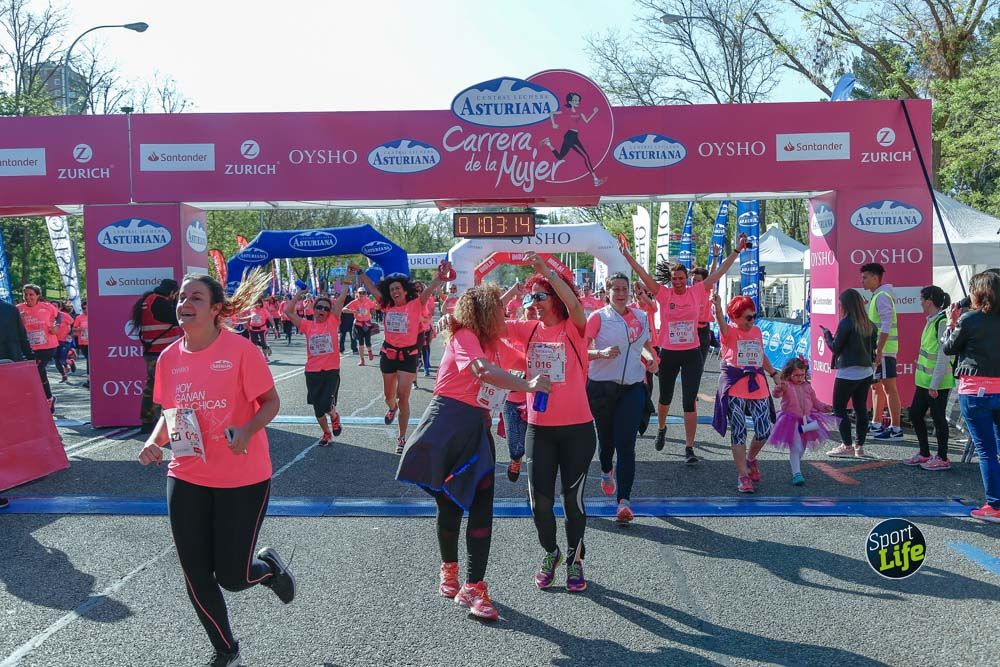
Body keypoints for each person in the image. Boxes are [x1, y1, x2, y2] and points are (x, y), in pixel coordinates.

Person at [137, 270, 294, 667]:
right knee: (195, 573)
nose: (184, 305)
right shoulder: (170, 358)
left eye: (195, 299)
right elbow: (170, 412)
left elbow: (271, 402)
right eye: (182, 299)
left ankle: (269, 569)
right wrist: (155, 442)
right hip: (186, 473)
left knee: (233, 577)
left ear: (215, 309)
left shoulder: (240, 351)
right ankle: (226, 650)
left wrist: (247, 429)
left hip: (243, 477)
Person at [397, 283, 551, 621]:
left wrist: (590, 356)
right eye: (499, 309)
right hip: (446, 426)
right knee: (450, 508)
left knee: (482, 508)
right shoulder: (464, 335)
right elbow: (481, 370)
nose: (506, 313)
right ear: (484, 312)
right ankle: (449, 568)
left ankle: (474, 586)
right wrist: (526, 385)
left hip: (477, 430)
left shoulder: (496, 343)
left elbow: (532, 361)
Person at [504, 252, 595, 592]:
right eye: (531, 298)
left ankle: (575, 559)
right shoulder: (526, 331)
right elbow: (491, 323)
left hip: (577, 430)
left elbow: (575, 306)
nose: (534, 303)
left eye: (539, 297)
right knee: (538, 501)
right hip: (539, 429)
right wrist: (456, 319)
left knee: (573, 501)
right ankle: (551, 552)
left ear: (555, 298)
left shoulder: (575, 327)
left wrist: (549, 274)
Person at [623, 237, 745, 463]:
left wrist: (736, 250)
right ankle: (661, 428)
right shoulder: (663, 294)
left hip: (691, 354)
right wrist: (627, 255)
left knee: (689, 401)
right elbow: (643, 275)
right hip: (668, 353)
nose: (678, 282)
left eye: (681, 278)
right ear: (670, 280)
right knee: (666, 398)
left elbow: (720, 272)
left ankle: (689, 448)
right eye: (674, 279)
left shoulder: (697, 291)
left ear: (687, 278)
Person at [354, 262, 450, 453]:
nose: (395, 291)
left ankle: (401, 438)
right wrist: (359, 272)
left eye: (398, 288)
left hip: (408, 356)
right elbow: (372, 288)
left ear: (405, 290)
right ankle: (391, 408)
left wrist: (442, 274)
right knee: (389, 397)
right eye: (392, 289)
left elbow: (430, 288)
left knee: (402, 396)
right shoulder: (386, 305)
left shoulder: (416, 304)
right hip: (389, 355)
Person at [586, 272, 658, 524]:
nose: (620, 292)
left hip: (632, 388)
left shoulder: (640, 316)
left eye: (623, 288)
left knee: (626, 444)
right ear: (607, 292)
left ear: (629, 291)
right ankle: (606, 471)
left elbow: (646, 345)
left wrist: (651, 359)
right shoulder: (598, 318)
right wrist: (600, 353)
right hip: (602, 388)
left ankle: (623, 502)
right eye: (615, 288)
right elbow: (579, 350)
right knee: (606, 443)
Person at [942, 271, 1000, 523]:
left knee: (986, 450)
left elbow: (948, 348)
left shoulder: (969, 319)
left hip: (976, 391)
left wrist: (950, 323)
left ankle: (996, 505)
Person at [711, 294, 780, 493]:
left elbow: (761, 354)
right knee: (739, 431)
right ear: (736, 317)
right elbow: (720, 321)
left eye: (754, 317)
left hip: (757, 385)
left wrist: (774, 373)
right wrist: (717, 307)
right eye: (748, 317)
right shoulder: (729, 331)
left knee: (764, 429)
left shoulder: (757, 331)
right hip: (735, 386)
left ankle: (750, 459)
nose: (752, 321)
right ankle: (743, 475)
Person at [284, 282, 352, 446]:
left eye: (326, 309)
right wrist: (300, 292)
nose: (322, 310)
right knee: (318, 409)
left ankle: (334, 417)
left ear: (330, 312)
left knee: (326, 405)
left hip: (330, 371)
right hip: (312, 372)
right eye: (319, 307)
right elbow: (288, 311)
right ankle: (326, 433)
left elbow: (341, 299)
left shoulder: (333, 322)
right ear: (314, 309)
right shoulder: (307, 325)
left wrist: (348, 280)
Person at [822, 289, 878, 459]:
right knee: (861, 409)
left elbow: (835, 347)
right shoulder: (869, 323)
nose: (839, 306)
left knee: (839, 408)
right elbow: (873, 348)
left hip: (848, 372)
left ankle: (846, 445)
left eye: (840, 304)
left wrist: (826, 335)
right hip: (866, 371)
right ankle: (859, 446)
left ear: (845, 305)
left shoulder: (846, 323)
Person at [904, 286, 955, 471]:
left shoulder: (941, 322)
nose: (919, 302)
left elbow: (943, 356)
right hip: (925, 381)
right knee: (915, 414)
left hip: (937, 383)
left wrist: (934, 384)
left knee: (938, 418)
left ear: (929, 301)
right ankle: (925, 453)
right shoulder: (932, 320)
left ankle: (942, 457)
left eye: (921, 299)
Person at [769, 358, 836, 485]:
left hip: (807, 420)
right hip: (790, 420)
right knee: (796, 446)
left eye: (802, 375)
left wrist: (823, 407)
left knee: (802, 446)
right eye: (797, 375)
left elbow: (815, 401)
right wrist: (779, 388)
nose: (800, 378)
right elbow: (776, 394)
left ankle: (796, 465)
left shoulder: (807, 386)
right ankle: (797, 474)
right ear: (789, 374)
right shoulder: (786, 385)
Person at [132, 279, 182, 432]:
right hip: (164, 352)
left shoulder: (146, 301)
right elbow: (177, 319)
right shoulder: (161, 303)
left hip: (151, 352)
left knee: (152, 387)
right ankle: (169, 422)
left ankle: (147, 421)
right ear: (172, 292)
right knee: (170, 388)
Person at [861, 263, 903, 440]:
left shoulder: (882, 296)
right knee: (876, 387)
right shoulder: (877, 296)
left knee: (889, 388)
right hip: (880, 351)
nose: (862, 281)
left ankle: (895, 428)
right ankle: (877, 423)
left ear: (876, 278)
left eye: (865, 277)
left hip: (884, 351)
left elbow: (886, 324)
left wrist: (879, 350)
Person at [540, 92, 606, 187]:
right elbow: (551, 113)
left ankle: (548, 143)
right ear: (570, 101)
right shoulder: (566, 110)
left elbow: (587, 121)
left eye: (578, 100)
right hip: (570, 136)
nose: (577, 101)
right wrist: (553, 124)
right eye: (575, 100)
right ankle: (595, 180)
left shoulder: (580, 111)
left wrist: (594, 113)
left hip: (574, 136)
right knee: (586, 156)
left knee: (559, 157)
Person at [17, 284, 62, 413]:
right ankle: (48, 398)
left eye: (31, 294)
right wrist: (20, 320)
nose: (28, 297)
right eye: (25, 294)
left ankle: (43, 399)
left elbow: (58, 316)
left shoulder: (47, 307)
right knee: (38, 372)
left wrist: (56, 326)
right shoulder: (18, 309)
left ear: (38, 295)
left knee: (37, 369)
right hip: (29, 347)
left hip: (47, 346)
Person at [345, 287, 376, 366]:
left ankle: (369, 351)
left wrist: (374, 309)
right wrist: (353, 311)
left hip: (367, 324)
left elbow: (375, 307)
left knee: (368, 341)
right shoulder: (355, 302)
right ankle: (362, 360)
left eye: (363, 293)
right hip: (358, 324)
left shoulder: (368, 301)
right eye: (360, 293)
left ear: (366, 294)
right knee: (361, 342)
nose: (362, 294)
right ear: (357, 294)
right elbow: (344, 309)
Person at [0, 298, 34, 363]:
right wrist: (30, 356)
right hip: (11, 356)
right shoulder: (11, 309)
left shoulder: (11, 309)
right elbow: (22, 335)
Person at [53, 301, 74, 383]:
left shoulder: (65, 316)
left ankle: (70, 362)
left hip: (64, 341)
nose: (53, 307)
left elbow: (73, 325)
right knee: (56, 360)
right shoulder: (48, 316)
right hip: (53, 342)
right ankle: (63, 375)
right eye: (51, 306)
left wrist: (70, 334)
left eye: (55, 306)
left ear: (60, 308)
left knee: (61, 359)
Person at [72, 300, 89, 388]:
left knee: (91, 361)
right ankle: (89, 379)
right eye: (83, 308)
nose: (85, 310)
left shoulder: (96, 315)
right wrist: (80, 328)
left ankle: (91, 379)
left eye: (87, 308)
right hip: (83, 342)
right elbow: (74, 329)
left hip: (95, 343)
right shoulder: (79, 317)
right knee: (89, 360)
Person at [338, 288, 359, 356]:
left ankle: (341, 350)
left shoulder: (341, 300)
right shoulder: (352, 300)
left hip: (343, 319)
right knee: (352, 336)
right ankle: (354, 349)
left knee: (342, 336)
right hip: (351, 319)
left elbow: (338, 310)